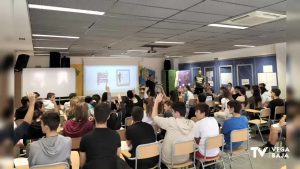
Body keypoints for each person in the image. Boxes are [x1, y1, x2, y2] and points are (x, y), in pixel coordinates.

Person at [152, 94, 195, 165]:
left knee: (155, 146)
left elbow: (154, 117)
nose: (171, 113)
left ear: (177, 113)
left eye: (172, 111)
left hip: (170, 160)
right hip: (185, 158)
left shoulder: (171, 122)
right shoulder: (192, 123)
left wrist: (156, 101)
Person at [79, 103, 121, 169]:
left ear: (94, 116)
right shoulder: (116, 135)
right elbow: (118, 158)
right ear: (108, 117)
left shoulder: (85, 138)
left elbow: (82, 164)